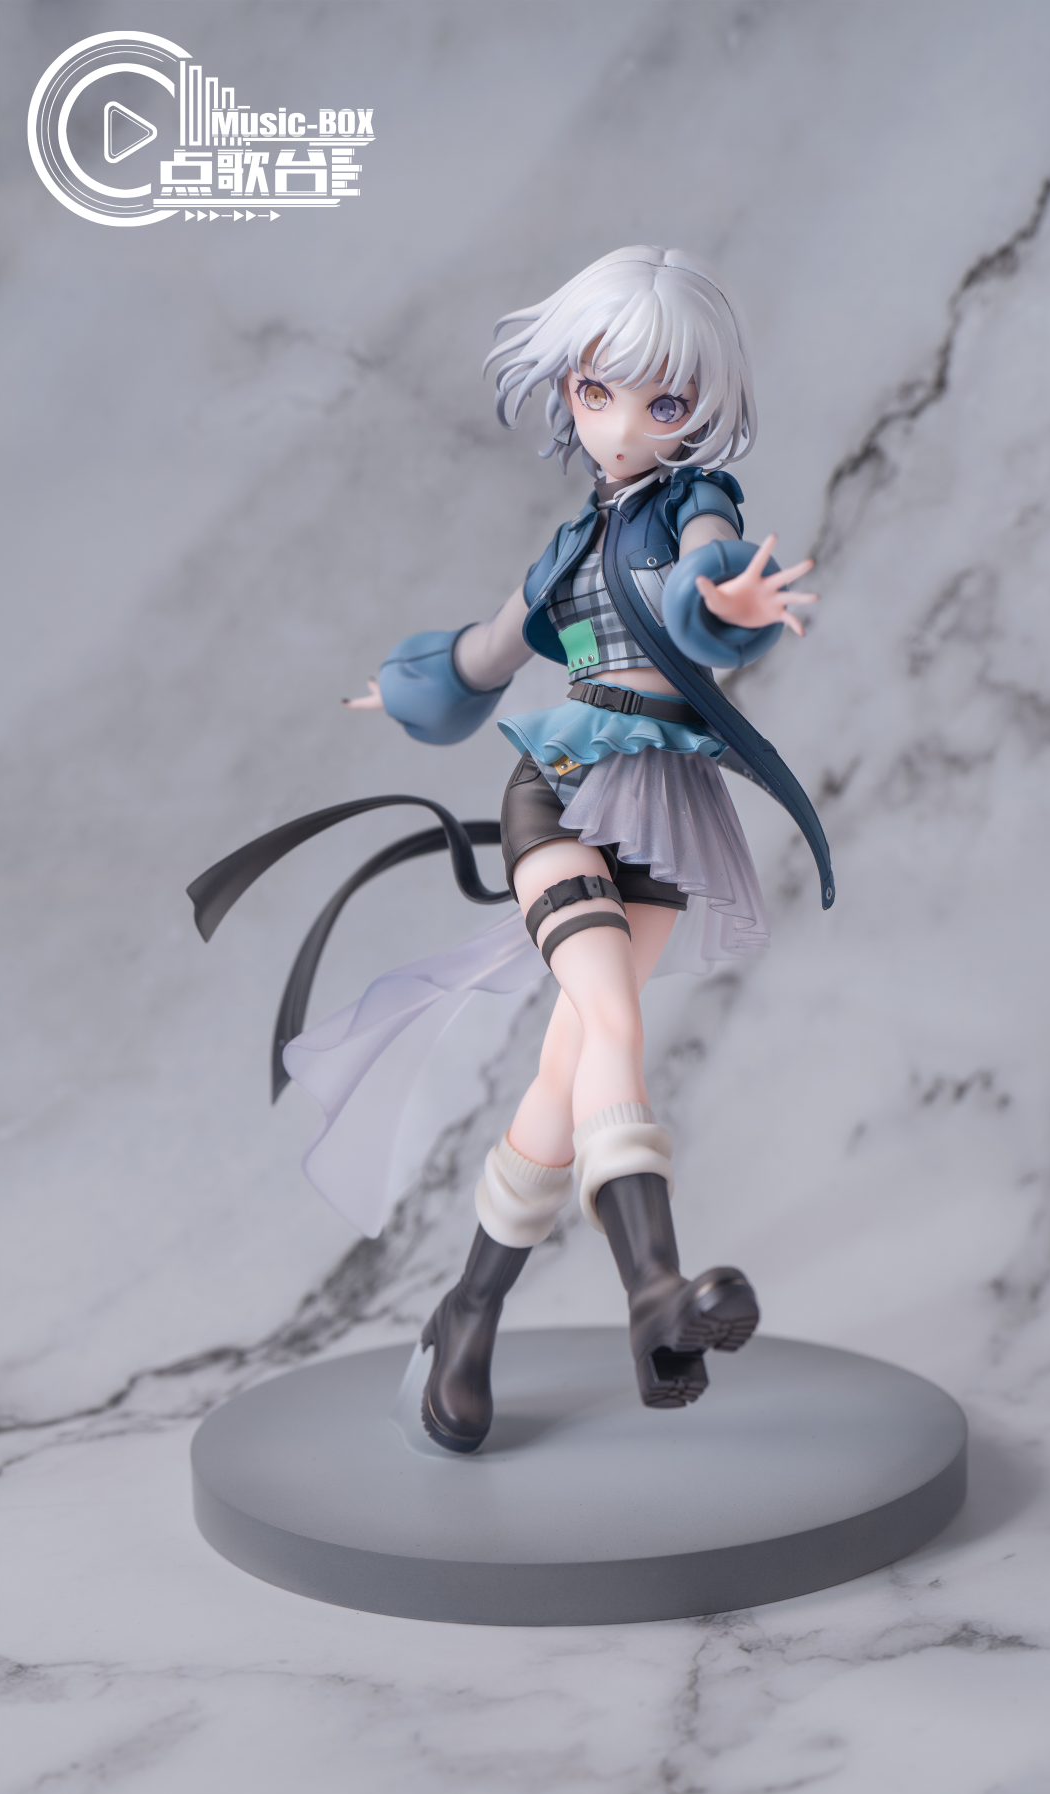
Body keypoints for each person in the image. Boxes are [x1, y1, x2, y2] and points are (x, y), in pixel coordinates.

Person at [338, 245, 828, 1453]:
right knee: (608, 1016)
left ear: (701, 406)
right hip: (558, 789)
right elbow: (488, 652)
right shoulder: (566, 549)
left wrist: (730, 606)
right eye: (596, 392)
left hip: (665, 804)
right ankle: (653, 1288)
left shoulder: (695, 502)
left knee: (567, 1070)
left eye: (662, 401)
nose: (620, 425)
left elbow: (707, 574)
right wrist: (406, 690)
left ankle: (467, 1312)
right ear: (568, 388)